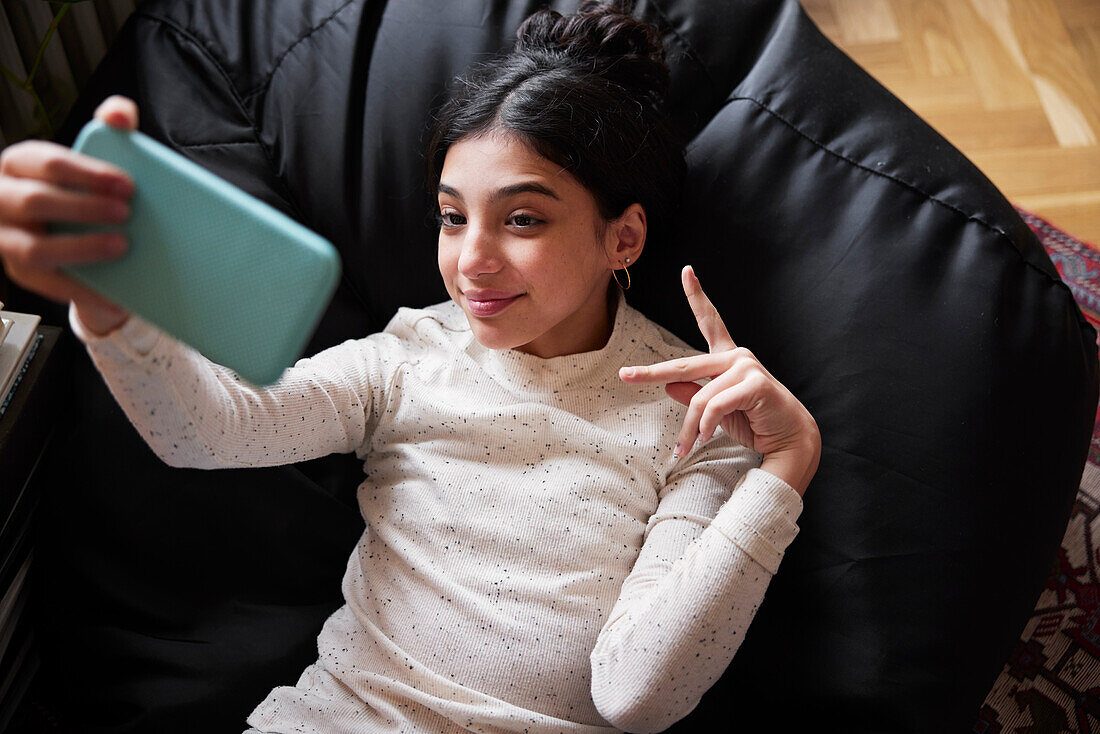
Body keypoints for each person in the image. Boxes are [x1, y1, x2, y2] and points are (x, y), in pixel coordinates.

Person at [0, 1, 821, 732]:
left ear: (624, 237)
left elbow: (638, 694)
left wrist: (785, 464)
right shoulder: (410, 356)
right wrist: (111, 308)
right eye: (452, 218)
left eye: (523, 218)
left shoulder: (700, 404)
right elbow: (208, 430)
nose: (472, 263)